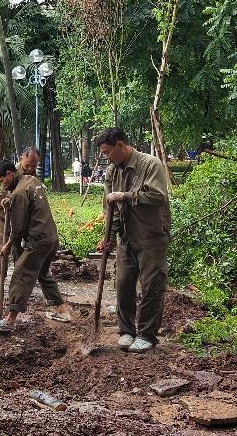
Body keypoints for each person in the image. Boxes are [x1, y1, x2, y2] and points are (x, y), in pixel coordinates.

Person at [94, 127, 171, 353]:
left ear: (120, 145)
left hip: (151, 237)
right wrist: (109, 236)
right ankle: (126, 331)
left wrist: (125, 196)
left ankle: (147, 335)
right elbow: (112, 209)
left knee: (151, 286)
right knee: (123, 285)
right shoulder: (112, 172)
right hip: (126, 238)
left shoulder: (150, 165)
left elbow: (158, 196)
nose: (106, 157)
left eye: (108, 152)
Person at [0, 160, 71, 332]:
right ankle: (62, 311)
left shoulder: (19, 193)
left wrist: (8, 244)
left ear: (9, 174)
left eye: (2, 180)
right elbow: (25, 202)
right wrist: (9, 201)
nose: (2, 184)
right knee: (42, 273)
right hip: (51, 237)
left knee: (20, 273)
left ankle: (10, 320)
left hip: (38, 240)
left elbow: (18, 229)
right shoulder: (31, 180)